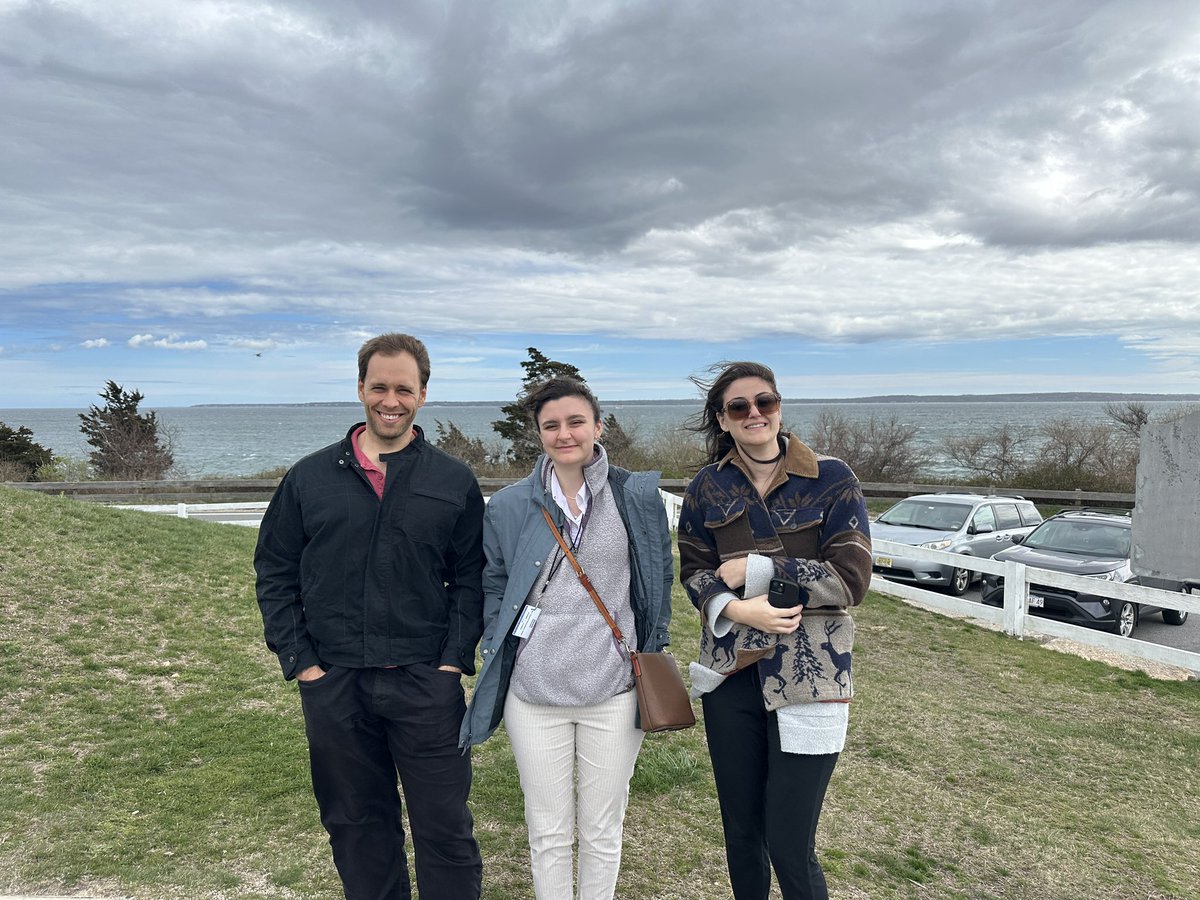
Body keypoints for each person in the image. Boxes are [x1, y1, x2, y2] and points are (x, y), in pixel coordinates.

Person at [254, 333, 484, 900]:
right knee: (357, 826)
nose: (391, 399)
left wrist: (453, 661)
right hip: (335, 683)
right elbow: (275, 573)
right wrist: (302, 663)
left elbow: (473, 578)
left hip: (425, 684)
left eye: (404, 388)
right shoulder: (308, 479)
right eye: (379, 386)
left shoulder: (452, 481)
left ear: (423, 394)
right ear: (360, 388)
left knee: (445, 830)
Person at [459, 376, 674, 900]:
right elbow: (491, 579)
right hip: (533, 694)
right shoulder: (510, 505)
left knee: (602, 830)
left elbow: (657, 575)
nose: (564, 434)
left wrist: (649, 640)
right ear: (538, 434)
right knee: (548, 831)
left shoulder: (634, 496)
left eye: (576, 421)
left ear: (598, 427)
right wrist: (497, 638)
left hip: (613, 692)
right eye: (551, 425)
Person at [676, 361, 872, 900]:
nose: (754, 414)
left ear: (779, 406)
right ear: (723, 419)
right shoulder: (706, 489)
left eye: (764, 402)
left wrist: (755, 571)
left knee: (789, 842)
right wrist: (738, 610)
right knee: (742, 834)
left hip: (811, 676)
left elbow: (850, 581)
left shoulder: (832, 479)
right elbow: (693, 572)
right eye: (739, 407)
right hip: (730, 673)